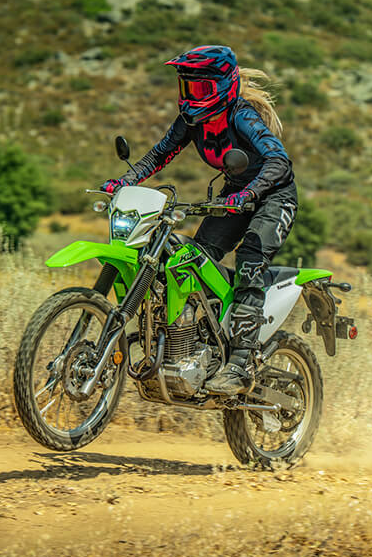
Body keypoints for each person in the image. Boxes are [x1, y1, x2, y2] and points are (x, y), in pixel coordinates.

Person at [101, 45, 296, 394]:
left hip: (272, 198)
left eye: (201, 89)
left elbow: (279, 161)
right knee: (193, 260)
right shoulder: (192, 121)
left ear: (224, 86)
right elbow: (160, 153)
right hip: (235, 195)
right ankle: (202, 343)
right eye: (187, 88)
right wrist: (124, 182)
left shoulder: (242, 116)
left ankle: (241, 363)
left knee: (251, 259)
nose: (192, 97)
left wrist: (247, 195)